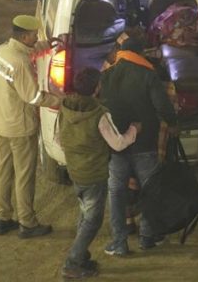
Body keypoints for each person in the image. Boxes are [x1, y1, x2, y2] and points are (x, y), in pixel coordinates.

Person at [57, 68, 139, 279]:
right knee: (93, 220)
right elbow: (118, 144)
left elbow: (58, 139)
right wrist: (134, 130)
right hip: (94, 173)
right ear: (96, 89)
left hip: (75, 171)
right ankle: (73, 262)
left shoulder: (64, 107)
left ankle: (82, 257)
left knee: (85, 214)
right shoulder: (100, 114)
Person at [100, 36, 177, 256]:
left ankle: (119, 242)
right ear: (140, 53)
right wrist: (172, 124)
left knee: (116, 192)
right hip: (145, 142)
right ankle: (147, 237)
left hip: (116, 146)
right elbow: (162, 104)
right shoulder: (148, 74)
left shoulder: (106, 75)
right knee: (149, 189)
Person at [0, 15, 60, 239]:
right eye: (33, 35)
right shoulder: (20, 63)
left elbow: (28, 51)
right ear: (24, 36)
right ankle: (27, 223)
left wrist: (47, 44)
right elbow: (34, 96)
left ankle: (2, 218)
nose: (35, 38)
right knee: (24, 176)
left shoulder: (3, 51)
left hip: (1, 123)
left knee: (4, 171)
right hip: (20, 128)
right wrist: (60, 100)